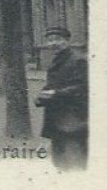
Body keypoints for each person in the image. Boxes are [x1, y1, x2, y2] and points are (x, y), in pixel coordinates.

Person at [34, 24, 87, 170]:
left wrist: (56, 94)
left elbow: (82, 88)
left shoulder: (78, 60)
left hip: (74, 119)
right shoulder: (56, 61)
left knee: (75, 161)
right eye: (50, 40)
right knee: (60, 161)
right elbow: (53, 84)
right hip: (56, 120)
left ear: (67, 40)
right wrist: (40, 97)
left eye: (57, 39)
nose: (53, 43)